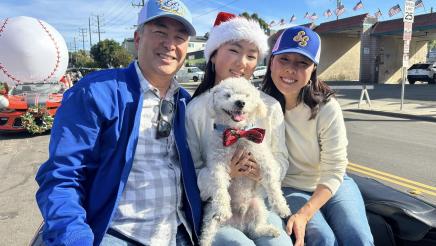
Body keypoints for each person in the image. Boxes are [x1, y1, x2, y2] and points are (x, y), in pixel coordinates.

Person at [35, 0, 202, 245]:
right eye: (160, 32)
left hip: (180, 231)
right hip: (117, 233)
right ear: (137, 39)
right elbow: (62, 176)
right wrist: (75, 236)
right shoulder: (95, 93)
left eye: (180, 37)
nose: (170, 44)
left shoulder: (187, 104)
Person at [185, 12, 292, 245]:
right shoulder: (195, 110)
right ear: (213, 55)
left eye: (251, 56)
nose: (242, 63)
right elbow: (190, 175)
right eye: (233, 50)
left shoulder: (270, 107)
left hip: (259, 203)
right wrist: (226, 174)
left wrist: (261, 172)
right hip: (219, 209)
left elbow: (281, 159)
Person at [262, 26, 374, 246]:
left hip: (333, 183)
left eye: (302, 63)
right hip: (291, 186)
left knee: (358, 237)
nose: (291, 69)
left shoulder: (326, 107)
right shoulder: (260, 105)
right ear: (271, 61)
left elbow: (335, 168)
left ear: (313, 69)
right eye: (284, 59)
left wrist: (305, 213)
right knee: (322, 238)